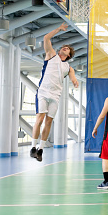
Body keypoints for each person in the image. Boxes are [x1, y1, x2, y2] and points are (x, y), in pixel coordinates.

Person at [30, 23, 78, 162]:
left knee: (49, 122)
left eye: (67, 49)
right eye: (64, 47)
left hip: (55, 96)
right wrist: (58, 29)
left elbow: (73, 77)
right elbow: (46, 38)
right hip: (44, 92)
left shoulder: (68, 67)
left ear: (68, 55)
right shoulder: (51, 55)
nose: (65, 48)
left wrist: (75, 82)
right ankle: (33, 147)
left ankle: (41, 149)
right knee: (39, 119)